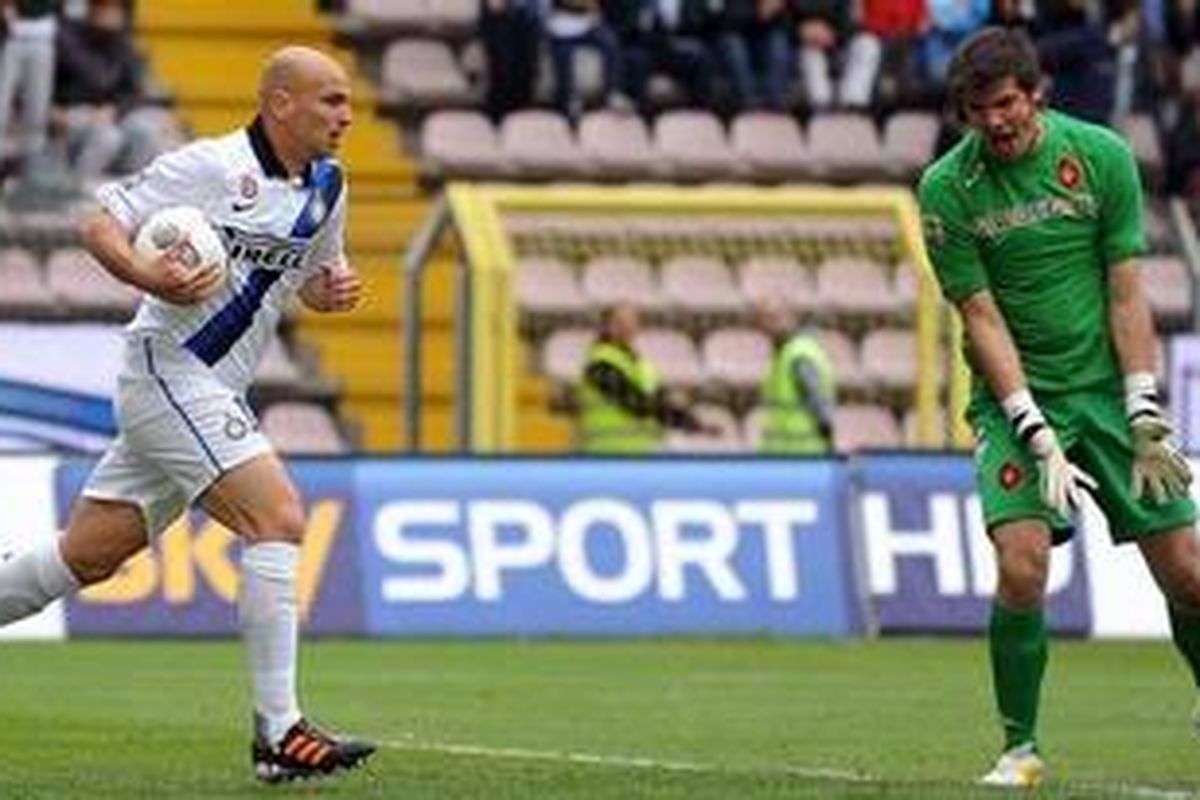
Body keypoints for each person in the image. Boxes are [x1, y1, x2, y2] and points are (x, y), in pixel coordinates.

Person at [0, 45, 376, 783]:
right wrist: (149, 276)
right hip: (169, 372)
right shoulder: (207, 166)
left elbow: (309, 277)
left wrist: (326, 294)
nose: (346, 116)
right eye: (330, 100)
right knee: (279, 518)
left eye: (349, 102)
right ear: (280, 103)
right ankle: (280, 734)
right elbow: (98, 221)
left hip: (214, 390)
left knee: (89, 555)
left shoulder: (329, 186)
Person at [917, 26, 1200, 788]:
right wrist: (1031, 424)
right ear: (965, 113)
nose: (998, 121)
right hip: (1016, 405)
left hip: (1108, 397)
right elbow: (979, 317)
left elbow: (1126, 289)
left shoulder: (1100, 156)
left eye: (1007, 103)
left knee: (1189, 574)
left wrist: (1143, 404)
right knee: (1022, 565)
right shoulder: (946, 190)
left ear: (1035, 93)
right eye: (981, 110)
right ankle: (1020, 747)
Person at [578, 302, 717, 453]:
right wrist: (670, 403)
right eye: (619, 322)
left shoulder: (640, 364)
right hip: (607, 451)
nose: (628, 327)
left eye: (632, 321)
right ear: (605, 326)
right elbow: (635, 403)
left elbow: (659, 399)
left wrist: (694, 425)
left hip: (642, 450)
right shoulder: (600, 363)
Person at [53, 0, 163, 179]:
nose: (110, 14)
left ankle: (130, 191)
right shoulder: (66, 39)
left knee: (145, 130)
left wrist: (114, 110)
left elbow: (134, 93)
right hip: (72, 113)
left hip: (109, 115)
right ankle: (79, 188)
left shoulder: (122, 45)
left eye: (115, 9)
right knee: (108, 136)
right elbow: (53, 89)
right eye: (103, 7)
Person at [755, 299, 834, 454]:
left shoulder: (799, 355)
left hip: (802, 453)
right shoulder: (785, 355)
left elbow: (817, 401)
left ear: (791, 318)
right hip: (782, 453)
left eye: (774, 318)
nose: (768, 326)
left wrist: (828, 439)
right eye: (765, 320)